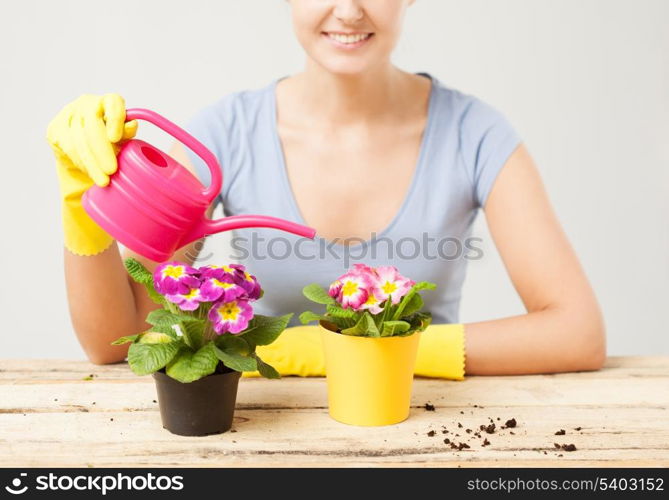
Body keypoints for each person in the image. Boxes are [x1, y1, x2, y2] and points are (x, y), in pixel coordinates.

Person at [46, 0, 605, 377]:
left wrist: (355, 352)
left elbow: (576, 331)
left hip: (426, 425)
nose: (348, 9)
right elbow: (117, 340)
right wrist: (83, 210)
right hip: (264, 431)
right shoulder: (226, 135)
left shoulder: (475, 134)